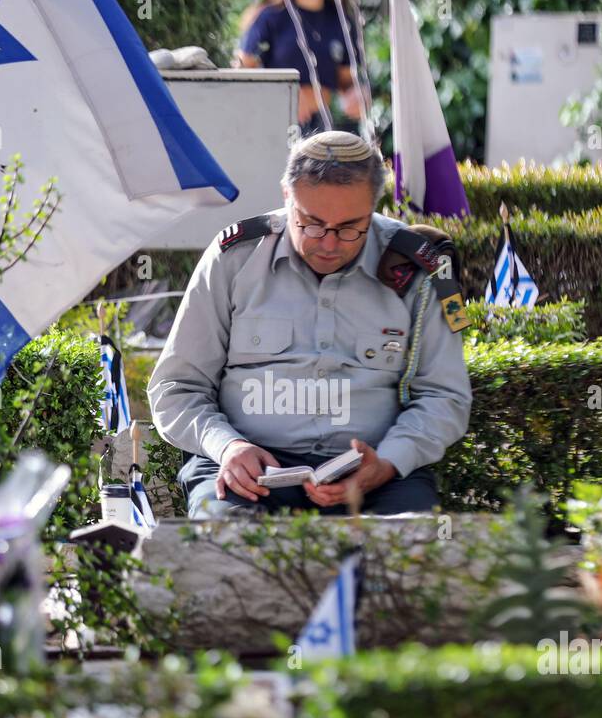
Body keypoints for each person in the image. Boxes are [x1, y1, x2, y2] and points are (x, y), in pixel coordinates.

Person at [148, 131, 472, 520]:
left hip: (377, 475)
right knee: (227, 548)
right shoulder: (234, 259)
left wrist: (387, 463)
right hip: (248, 473)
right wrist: (228, 447)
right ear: (287, 197)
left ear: (373, 207)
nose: (329, 244)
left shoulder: (415, 268)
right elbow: (175, 387)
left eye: (351, 228)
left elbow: (445, 395)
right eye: (311, 224)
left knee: (412, 550)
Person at [236, 0, 364, 135]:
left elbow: (347, 83)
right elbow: (239, 77)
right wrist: (286, 96)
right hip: (272, 131)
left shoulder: (343, 22)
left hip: (327, 136)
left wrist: (359, 96)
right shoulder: (269, 18)